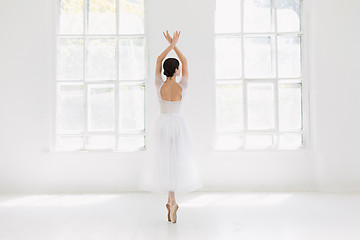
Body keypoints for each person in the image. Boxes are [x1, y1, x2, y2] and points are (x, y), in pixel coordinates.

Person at [137, 30, 202, 223]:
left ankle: (170, 200)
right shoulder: (183, 85)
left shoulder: (159, 84)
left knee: (165, 161)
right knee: (175, 161)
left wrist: (170, 45)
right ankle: (172, 200)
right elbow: (186, 62)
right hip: (179, 125)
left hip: (163, 124)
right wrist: (176, 44)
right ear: (176, 70)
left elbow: (158, 59)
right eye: (178, 68)